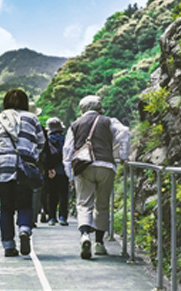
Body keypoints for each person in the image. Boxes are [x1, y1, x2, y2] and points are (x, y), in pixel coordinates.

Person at [63, 95, 130, 259]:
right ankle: (99, 243)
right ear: (99, 107)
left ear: (82, 109)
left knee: (84, 203)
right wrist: (123, 155)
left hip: (84, 166)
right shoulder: (109, 121)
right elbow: (125, 132)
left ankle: (85, 234)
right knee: (102, 205)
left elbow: (67, 150)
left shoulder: (75, 125)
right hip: (106, 165)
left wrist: (70, 175)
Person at [0, 89, 45, 257]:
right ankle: (24, 231)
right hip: (23, 165)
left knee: (6, 208)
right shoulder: (32, 118)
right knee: (25, 203)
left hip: (2, 165)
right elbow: (41, 142)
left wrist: (2, 155)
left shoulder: (1, 118)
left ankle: (8, 246)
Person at [45, 117, 69, 227]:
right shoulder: (65, 140)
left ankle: (51, 217)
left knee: (51, 194)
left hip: (51, 170)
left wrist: (48, 168)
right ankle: (63, 217)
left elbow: (45, 156)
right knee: (64, 194)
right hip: (64, 170)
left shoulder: (47, 140)